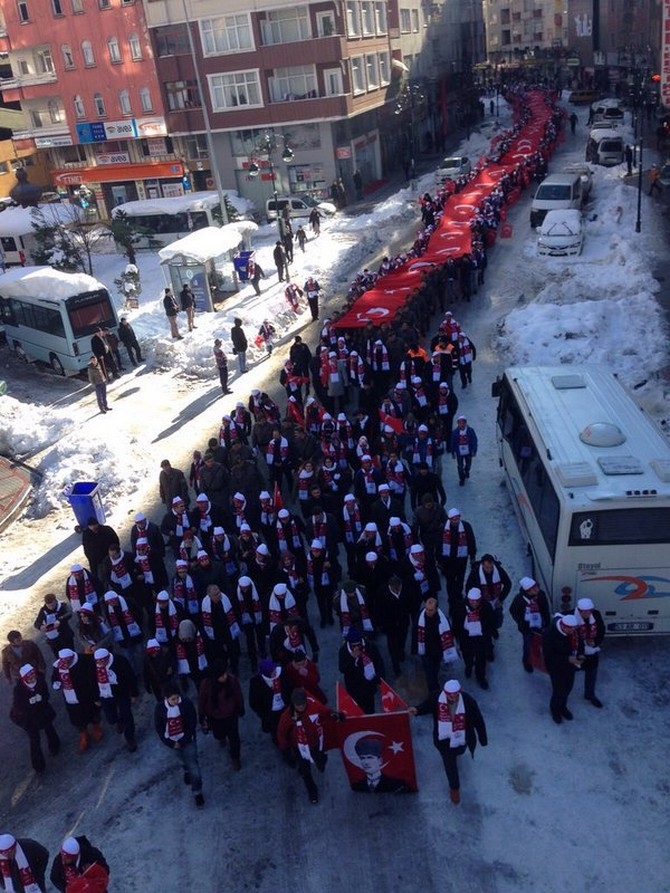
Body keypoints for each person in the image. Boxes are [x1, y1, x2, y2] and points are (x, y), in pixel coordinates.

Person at [410, 678, 488, 804]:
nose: (452, 697)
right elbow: (426, 706)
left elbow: (478, 719)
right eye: (449, 694)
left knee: (459, 752)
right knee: (450, 764)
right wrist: (417, 710)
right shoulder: (436, 697)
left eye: (455, 694)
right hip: (444, 740)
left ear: (459, 692)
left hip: (461, 738)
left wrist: (482, 739)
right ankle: (454, 787)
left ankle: (456, 755)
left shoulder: (467, 700)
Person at [277, 687, 337, 804]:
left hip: (315, 743)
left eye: (302, 704)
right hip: (299, 747)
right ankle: (312, 791)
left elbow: (326, 712)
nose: (300, 707)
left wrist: (335, 715)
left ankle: (321, 761)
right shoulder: (287, 716)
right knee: (305, 771)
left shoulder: (314, 706)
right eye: (298, 705)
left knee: (320, 759)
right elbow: (281, 732)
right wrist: (284, 749)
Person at [154, 681, 205, 807]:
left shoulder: (186, 704)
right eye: (173, 699)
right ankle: (185, 768)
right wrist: (170, 742)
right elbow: (159, 727)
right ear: (166, 698)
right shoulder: (160, 709)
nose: (176, 700)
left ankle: (197, 792)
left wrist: (183, 740)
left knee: (194, 767)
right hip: (172, 742)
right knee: (182, 761)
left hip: (187, 740)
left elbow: (192, 723)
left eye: (177, 697)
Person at [10, 664, 60, 774]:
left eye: (33, 674)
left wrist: (41, 700)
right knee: (34, 739)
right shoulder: (19, 690)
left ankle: (55, 746)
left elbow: (46, 695)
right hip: (29, 716)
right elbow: (18, 706)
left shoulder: (40, 681)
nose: (33, 676)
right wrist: (30, 703)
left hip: (41, 710)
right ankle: (38, 765)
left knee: (49, 728)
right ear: (25, 678)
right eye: (30, 675)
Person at [51, 648, 103, 753]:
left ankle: (96, 728)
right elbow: (55, 677)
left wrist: (96, 696)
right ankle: (83, 734)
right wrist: (56, 683)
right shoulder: (58, 666)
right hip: (70, 696)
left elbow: (92, 677)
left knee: (93, 712)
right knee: (76, 717)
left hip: (86, 694)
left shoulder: (84, 660)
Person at [198, 658, 244, 771]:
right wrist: (201, 715)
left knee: (234, 739)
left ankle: (235, 758)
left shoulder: (232, 681)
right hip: (214, 717)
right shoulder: (206, 685)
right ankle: (221, 737)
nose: (225, 677)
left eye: (225, 674)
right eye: (221, 675)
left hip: (231, 715)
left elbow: (238, 694)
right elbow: (202, 700)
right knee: (218, 733)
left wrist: (240, 708)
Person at [91, 647, 138, 752]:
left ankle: (130, 738)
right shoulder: (93, 666)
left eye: (104, 661)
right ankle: (118, 721)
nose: (101, 663)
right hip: (105, 694)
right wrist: (95, 697)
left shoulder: (119, 661)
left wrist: (134, 693)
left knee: (127, 714)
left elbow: (130, 677)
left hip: (122, 693)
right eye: (99, 661)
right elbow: (92, 682)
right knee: (111, 718)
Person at [542, 613, 582, 724]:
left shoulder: (573, 631)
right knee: (558, 691)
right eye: (570, 629)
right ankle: (555, 711)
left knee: (568, 688)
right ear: (564, 626)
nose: (573, 631)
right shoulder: (550, 634)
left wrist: (581, 655)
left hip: (571, 666)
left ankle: (563, 708)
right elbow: (549, 655)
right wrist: (568, 659)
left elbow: (580, 642)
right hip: (556, 668)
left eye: (574, 629)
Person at [452, 588, 496, 689]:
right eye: (472, 601)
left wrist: (490, 633)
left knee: (481, 658)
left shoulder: (486, 607)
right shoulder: (460, 607)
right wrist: (455, 635)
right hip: (466, 636)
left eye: (477, 601)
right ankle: (469, 665)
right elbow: (456, 622)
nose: (474, 603)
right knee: (467, 654)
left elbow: (491, 621)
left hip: (480, 637)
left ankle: (480, 677)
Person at [338, 627, 385, 714]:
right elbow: (343, 669)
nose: (356, 648)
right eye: (354, 645)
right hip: (354, 687)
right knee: (358, 709)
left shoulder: (370, 646)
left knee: (370, 707)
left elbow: (378, 662)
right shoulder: (343, 651)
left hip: (369, 684)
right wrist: (353, 658)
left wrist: (380, 679)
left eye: (358, 645)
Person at [509, 577, 551, 673]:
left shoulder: (541, 595)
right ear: (528, 591)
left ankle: (537, 654)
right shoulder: (519, 600)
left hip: (540, 625)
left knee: (540, 641)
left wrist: (547, 623)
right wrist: (521, 623)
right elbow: (513, 611)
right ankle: (527, 661)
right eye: (534, 588)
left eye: (536, 587)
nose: (537, 589)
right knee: (527, 645)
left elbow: (545, 610)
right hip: (527, 628)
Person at [416, 597, 459, 692]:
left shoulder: (443, 620)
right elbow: (415, 632)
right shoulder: (420, 617)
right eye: (426, 609)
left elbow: (450, 634)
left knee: (435, 669)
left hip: (437, 651)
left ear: (436, 609)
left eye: (431, 610)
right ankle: (433, 690)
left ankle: (434, 683)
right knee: (429, 673)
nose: (427, 612)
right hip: (425, 651)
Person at [441, 508, 477, 613]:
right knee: (450, 582)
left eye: (457, 519)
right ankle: (452, 602)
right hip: (448, 560)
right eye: (454, 519)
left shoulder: (466, 526)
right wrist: (439, 559)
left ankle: (459, 597)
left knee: (460, 580)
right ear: (450, 519)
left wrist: (472, 556)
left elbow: (471, 541)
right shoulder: (443, 528)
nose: (456, 521)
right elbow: (439, 544)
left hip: (462, 559)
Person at [574, 597, 605, 708]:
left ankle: (590, 695)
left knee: (592, 673)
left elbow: (601, 630)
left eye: (589, 611)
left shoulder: (596, 614)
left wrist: (596, 642)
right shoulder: (571, 617)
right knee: (570, 673)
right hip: (577, 652)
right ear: (579, 610)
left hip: (592, 651)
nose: (587, 613)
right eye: (584, 611)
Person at [451, 415, 477, 486]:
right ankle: (461, 478)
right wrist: (453, 452)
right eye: (460, 423)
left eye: (463, 423)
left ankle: (466, 470)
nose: (461, 425)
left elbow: (474, 440)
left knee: (468, 465)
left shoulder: (470, 431)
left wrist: (474, 450)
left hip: (468, 452)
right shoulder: (455, 432)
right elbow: (453, 442)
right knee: (460, 466)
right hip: (459, 452)